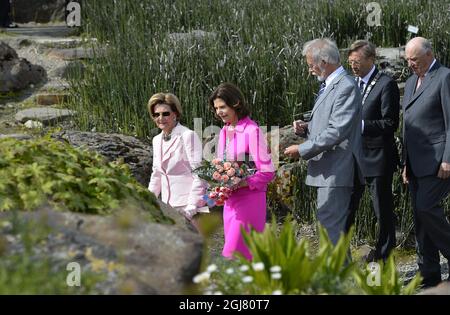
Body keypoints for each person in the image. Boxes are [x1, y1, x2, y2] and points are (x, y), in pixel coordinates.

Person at [284, 38, 363, 246]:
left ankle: (338, 277)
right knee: (330, 227)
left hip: (337, 169)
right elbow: (330, 123)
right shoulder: (331, 85)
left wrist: (302, 149)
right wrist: (307, 127)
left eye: (311, 65)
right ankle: (338, 275)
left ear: (325, 62)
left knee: (331, 228)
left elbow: (337, 130)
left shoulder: (345, 85)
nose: (310, 70)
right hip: (329, 168)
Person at [402, 37, 450, 288]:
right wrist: (405, 164)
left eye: (415, 60)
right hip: (415, 164)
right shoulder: (411, 82)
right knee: (420, 220)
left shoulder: (444, 77)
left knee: (426, 208)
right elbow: (408, 126)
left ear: (430, 55)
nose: (410, 64)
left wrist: (448, 160)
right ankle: (430, 275)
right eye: (408, 60)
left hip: (438, 162)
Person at [346, 40, 400, 262]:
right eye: (349, 62)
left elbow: (390, 123)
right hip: (354, 157)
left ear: (371, 59)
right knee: (347, 207)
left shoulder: (386, 84)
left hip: (378, 157)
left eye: (356, 62)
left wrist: (360, 126)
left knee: (381, 209)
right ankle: (340, 254)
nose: (352, 66)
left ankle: (384, 253)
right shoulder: (351, 83)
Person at [209, 82, 275, 260]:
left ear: (236, 103)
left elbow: (268, 172)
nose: (219, 112)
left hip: (249, 201)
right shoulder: (224, 131)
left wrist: (242, 182)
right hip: (230, 204)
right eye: (216, 108)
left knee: (234, 255)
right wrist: (220, 187)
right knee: (237, 258)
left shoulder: (252, 131)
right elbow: (224, 167)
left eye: (223, 107)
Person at [147, 92, 207, 230]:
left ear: (175, 113)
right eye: (156, 115)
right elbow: (156, 174)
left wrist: (192, 207)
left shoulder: (188, 136)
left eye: (165, 113)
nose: (160, 118)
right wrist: (147, 200)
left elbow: (200, 174)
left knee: (192, 250)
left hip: (189, 210)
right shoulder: (156, 140)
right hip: (166, 208)